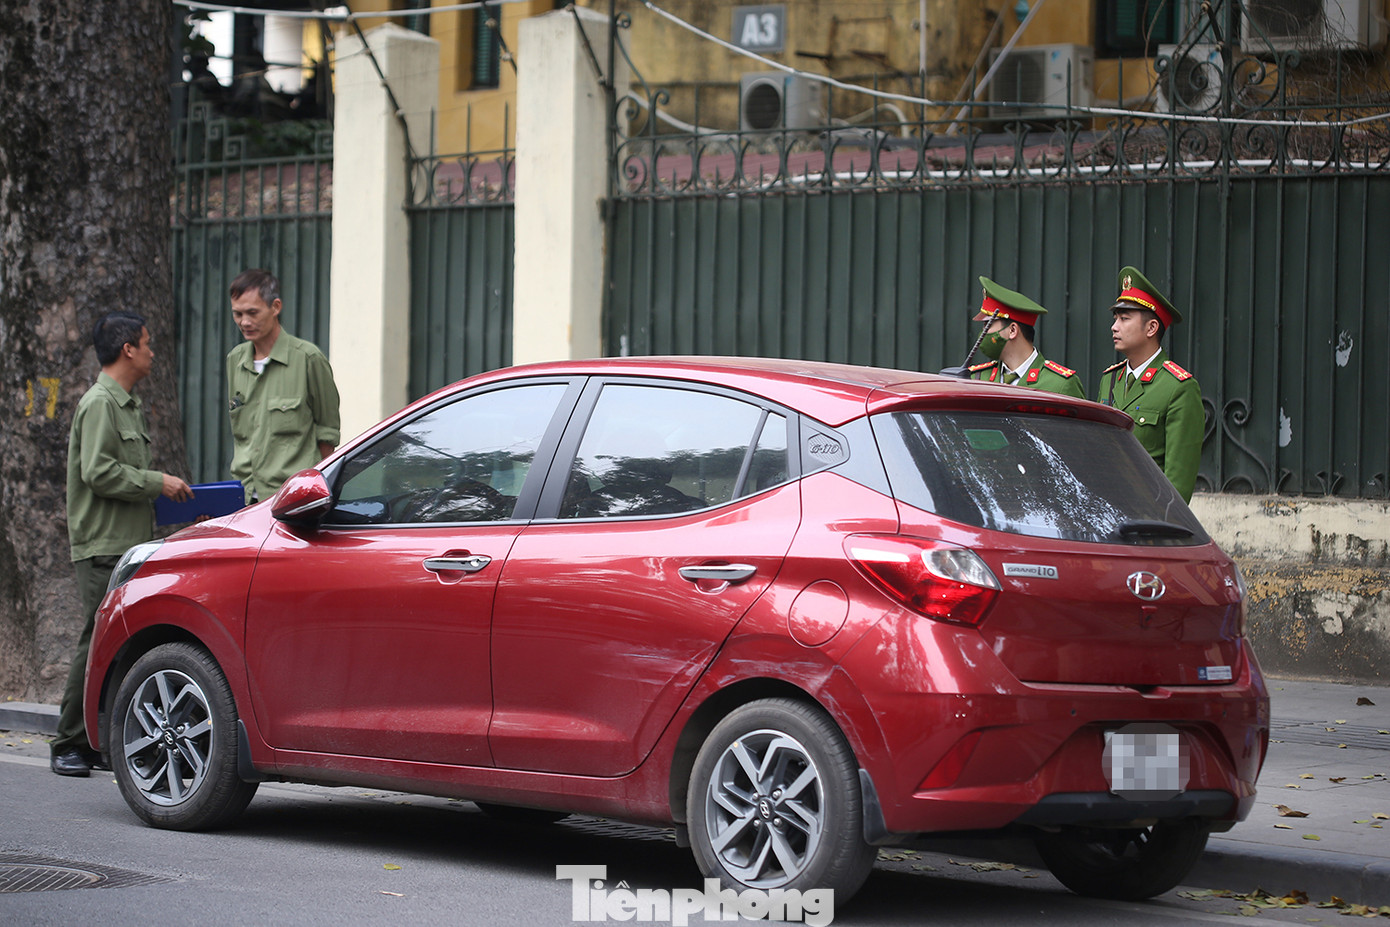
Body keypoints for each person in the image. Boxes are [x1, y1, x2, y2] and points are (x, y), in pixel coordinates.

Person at [54, 312, 193, 777]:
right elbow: (98, 472)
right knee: (95, 640)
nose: (153, 352)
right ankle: (67, 742)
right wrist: (157, 482)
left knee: (115, 643)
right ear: (128, 349)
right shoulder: (100, 403)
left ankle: (94, 739)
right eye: (147, 343)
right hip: (102, 544)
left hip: (128, 542)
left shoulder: (128, 405)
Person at [226, 268, 341, 504]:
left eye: (253, 313)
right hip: (246, 497)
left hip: (294, 498)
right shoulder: (235, 360)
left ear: (275, 307)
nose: (245, 322)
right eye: (237, 314)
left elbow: (327, 433)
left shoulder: (308, 358)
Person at [1096, 265, 1203, 502]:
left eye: (1124, 319)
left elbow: (1178, 483)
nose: (1114, 327)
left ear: (1152, 328)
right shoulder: (1110, 380)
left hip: (1147, 513)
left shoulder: (1178, 388)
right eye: (1115, 319)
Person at [966, 276, 1085, 399]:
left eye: (988, 325)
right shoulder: (977, 378)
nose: (983, 332)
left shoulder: (1060, 385)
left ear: (1012, 330)